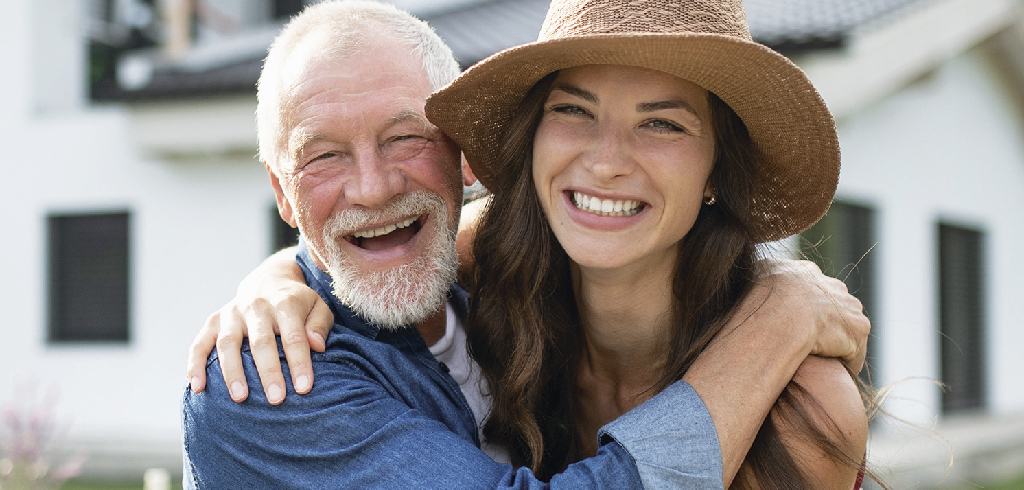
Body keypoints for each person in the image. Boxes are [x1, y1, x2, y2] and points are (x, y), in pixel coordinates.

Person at [182, 1, 870, 488]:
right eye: (573, 110)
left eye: (405, 139)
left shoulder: (800, 414)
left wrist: (782, 298)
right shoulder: (265, 379)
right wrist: (276, 281)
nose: (370, 187)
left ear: (464, 161)